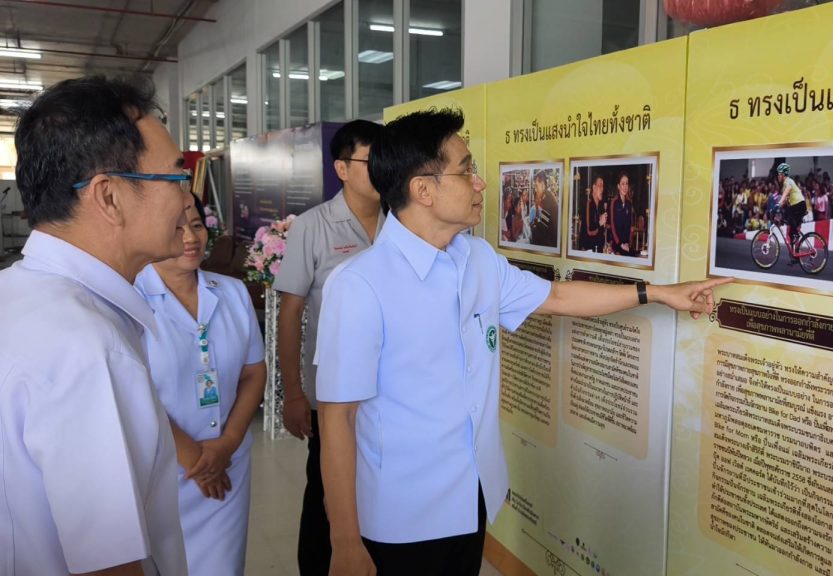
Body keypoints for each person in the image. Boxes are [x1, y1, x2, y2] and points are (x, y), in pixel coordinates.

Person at [315, 108, 731, 576]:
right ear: (423, 190)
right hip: (399, 516)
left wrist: (657, 293)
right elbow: (337, 417)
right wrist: (345, 541)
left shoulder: (476, 258)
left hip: (470, 497)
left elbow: (556, 296)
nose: (480, 183)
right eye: (466, 170)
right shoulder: (360, 285)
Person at [0, 76, 189, 575]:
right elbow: (109, 564)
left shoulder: (15, 295)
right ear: (108, 197)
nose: (188, 200)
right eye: (176, 177)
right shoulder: (89, 348)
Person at [273, 119, 384, 575]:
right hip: (333, 394)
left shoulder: (402, 222)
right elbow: (290, 313)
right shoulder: (313, 226)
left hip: (387, 392)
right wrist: (294, 393)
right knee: (326, 493)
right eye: (371, 160)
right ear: (342, 168)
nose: (383, 168)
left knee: (377, 490)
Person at [135, 194, 267, 575]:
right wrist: (196, 459)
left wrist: (228, 443)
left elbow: (253, 372)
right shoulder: (130, 300)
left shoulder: (232, 292)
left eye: (196, 225)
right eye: (176, 228)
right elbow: (134, 393)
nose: (191, 238)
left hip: (227, 466)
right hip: (162, 471)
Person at [776, 163, 807, 252]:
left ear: (783, 174)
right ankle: (795, 253)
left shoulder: (788, 181)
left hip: (799, 204)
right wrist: (778, 206)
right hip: (796, 205)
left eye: (779, 174)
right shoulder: (784, 185)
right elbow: (785, 200)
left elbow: (786, 192)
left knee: (788, 214)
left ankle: (796, 235)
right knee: (790, 232)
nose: (778, 176)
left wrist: (778, 204)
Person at [529, 169, 558, 247]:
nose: (535, 189)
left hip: (550, 242)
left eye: (536, 186)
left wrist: (533, 224)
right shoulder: (547, 196)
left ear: (542, 184)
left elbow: (543, 226)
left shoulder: (547, 199)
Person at [609, 172, 635, 255]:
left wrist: (628, 242)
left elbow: (630, 225)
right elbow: (612, 225)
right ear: (618, 186)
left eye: (626, 183)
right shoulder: (614, 202)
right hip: (616, 245)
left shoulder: (629, 203)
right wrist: (620, 244)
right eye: (623, 184)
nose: (625, 186)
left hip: (626, 245)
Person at [580, 175, 607, 252]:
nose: (602, 189)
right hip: (588, 249)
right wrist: (600, 222)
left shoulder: (600, 206)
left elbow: (602, 230)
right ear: (594, 187)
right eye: (600, 185)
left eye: (603, 186)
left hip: (598, 247)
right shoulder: (588, 204)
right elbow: (589, 230)